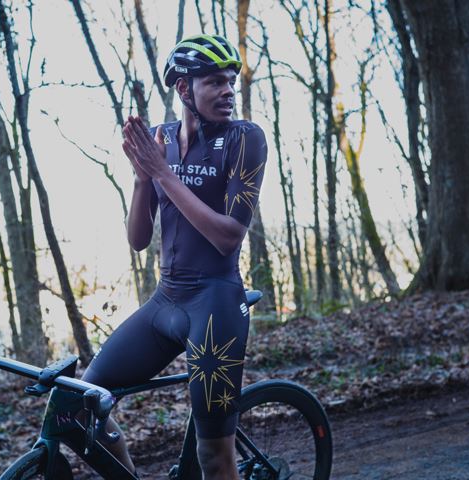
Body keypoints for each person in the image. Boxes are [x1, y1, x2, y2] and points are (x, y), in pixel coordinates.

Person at [84, 34, 267, 480]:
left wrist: (163, 173)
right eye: (214, 82)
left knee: (214, 458)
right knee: (84, 400)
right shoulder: (161, 137)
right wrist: (144, 179)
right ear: (184, 89)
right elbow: (139, 239)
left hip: (216, 304)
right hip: (166, 301)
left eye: (230, 81)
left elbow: (229, 236)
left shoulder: (246, 139)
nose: (228, 90)